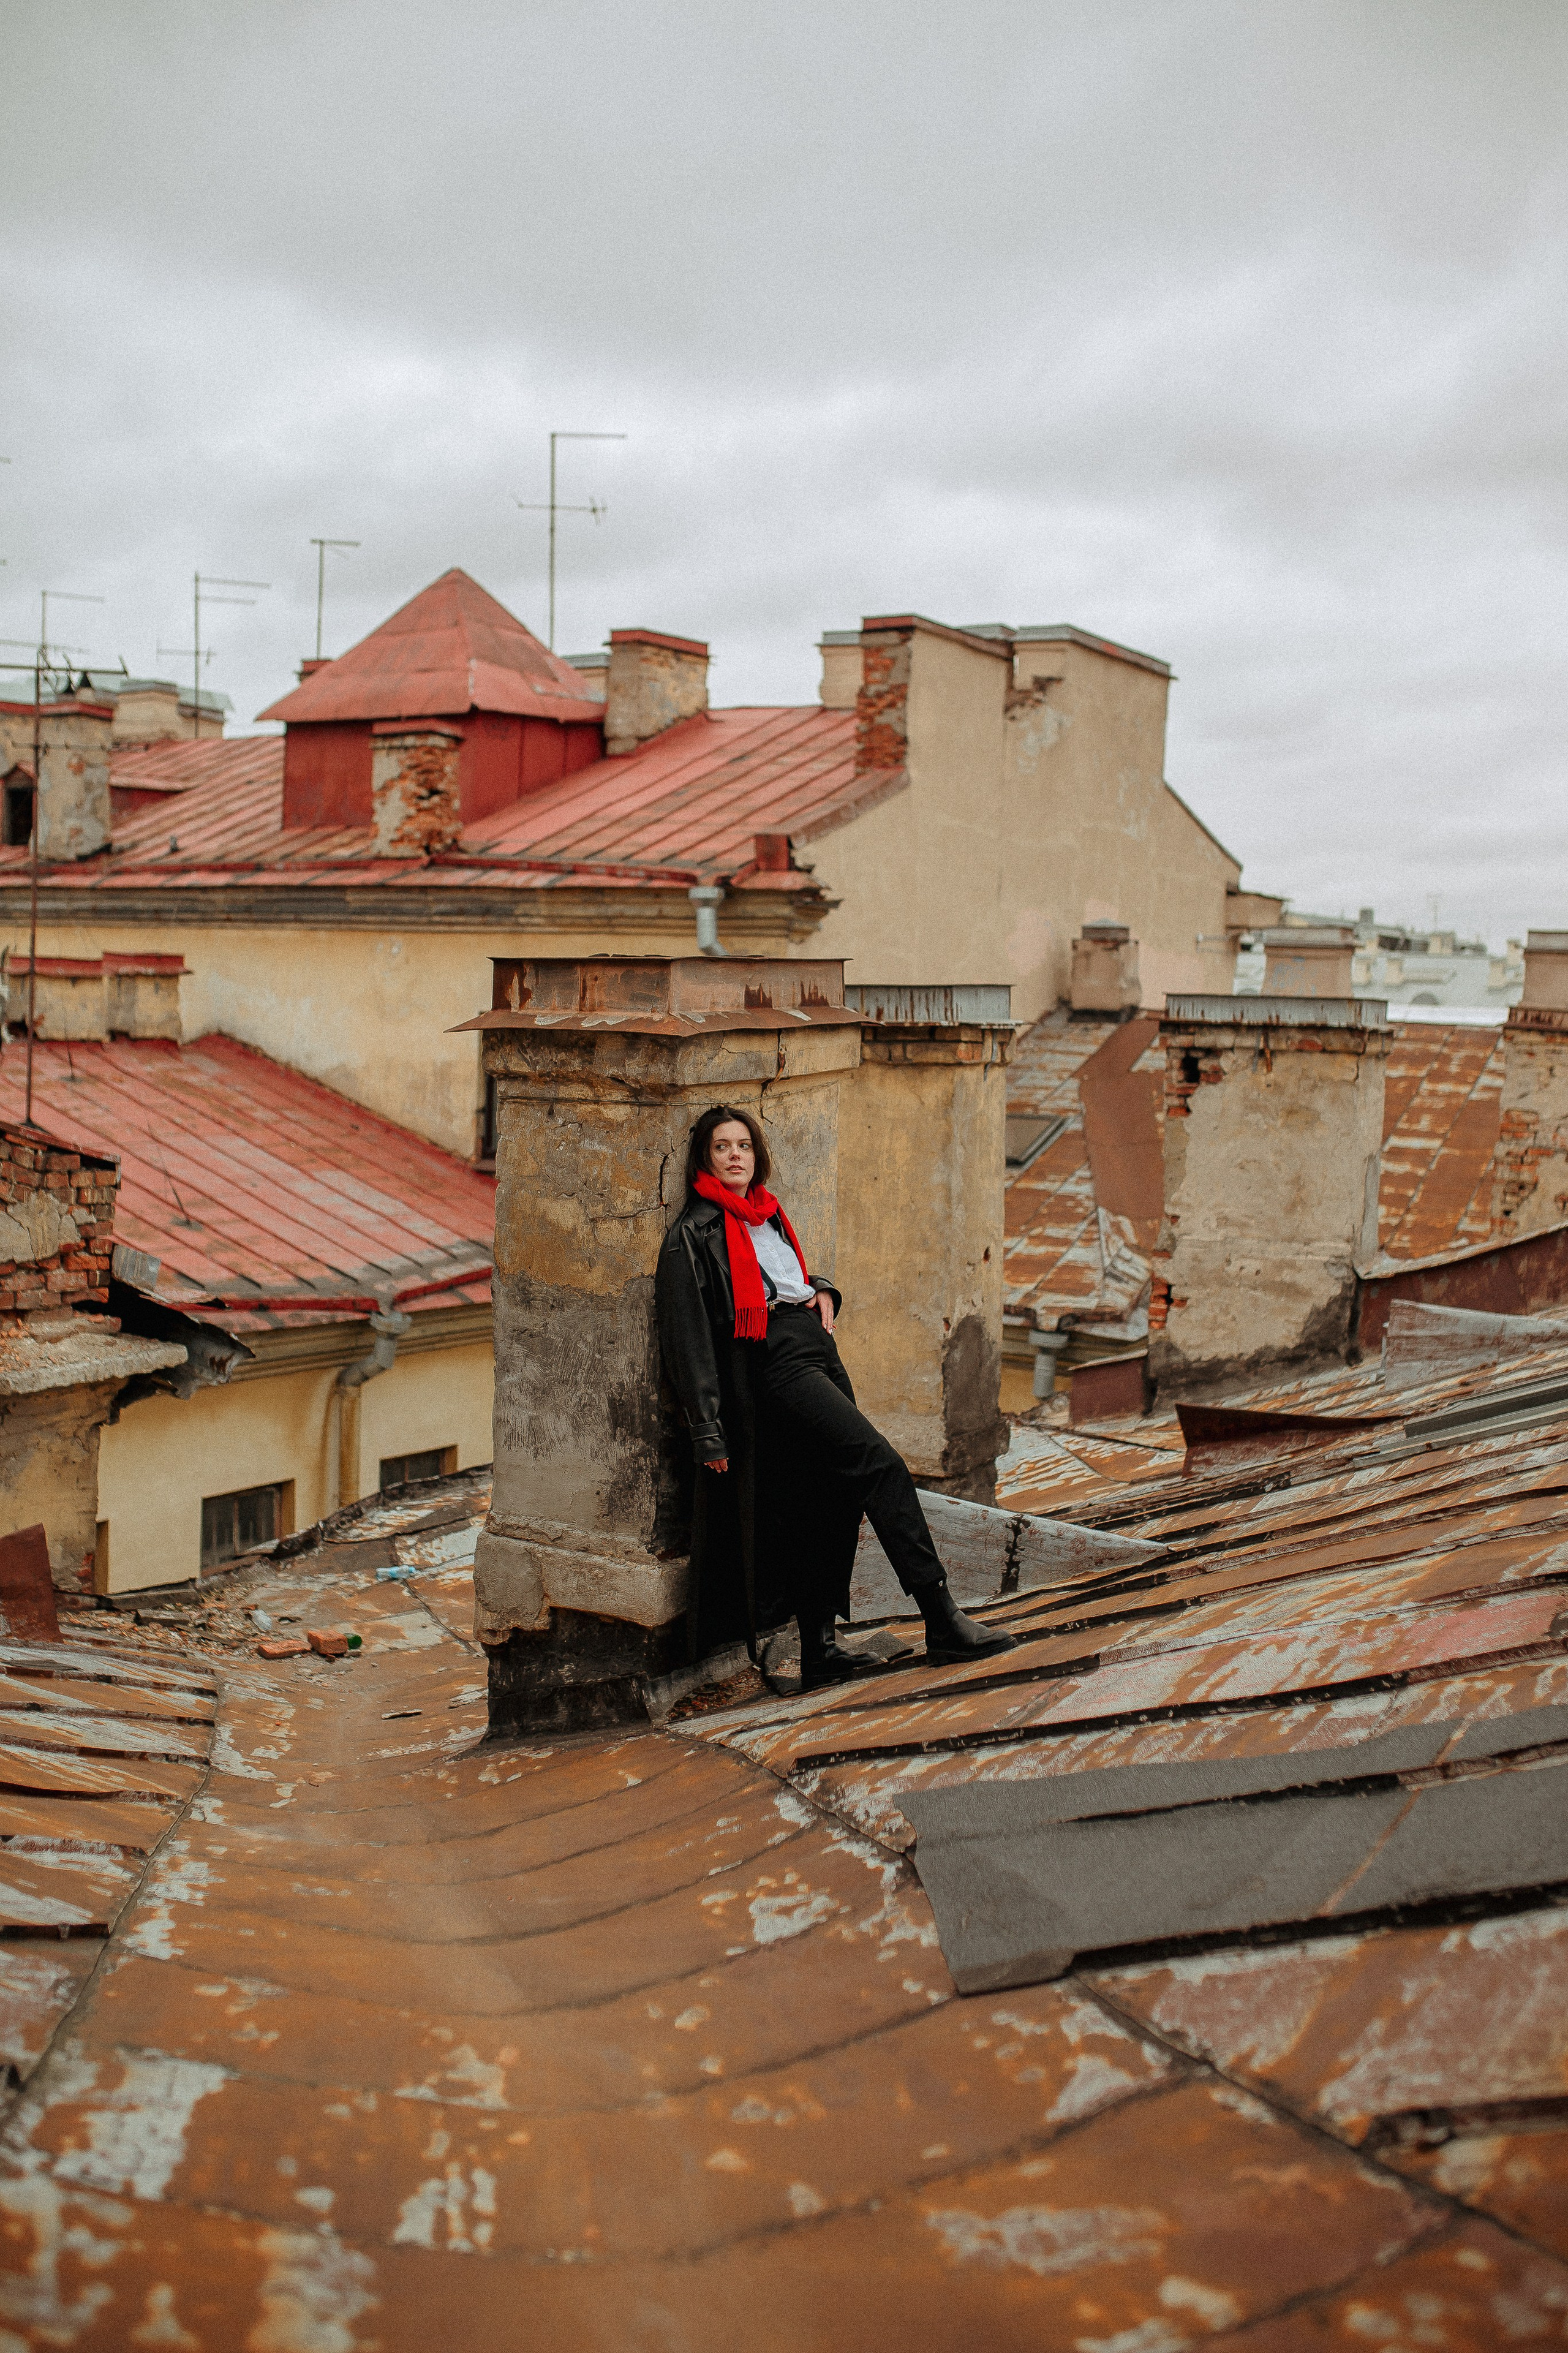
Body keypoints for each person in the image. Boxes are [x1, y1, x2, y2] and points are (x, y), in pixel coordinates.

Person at [655, 1103, 1016, 1689]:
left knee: (831, 1492)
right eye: (722, 1147)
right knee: (880, 1465)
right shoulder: (692, 1235)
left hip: (816, 1348)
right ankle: (940, 1616)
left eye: (743, 1145)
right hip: (774, 1362)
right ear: (705, 1157)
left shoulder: (767, 1214)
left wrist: (822, 1288)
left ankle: (821, 1646)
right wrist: (707, 1428)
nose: (735, 1156)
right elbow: (688, 1336)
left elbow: (784, 1281)